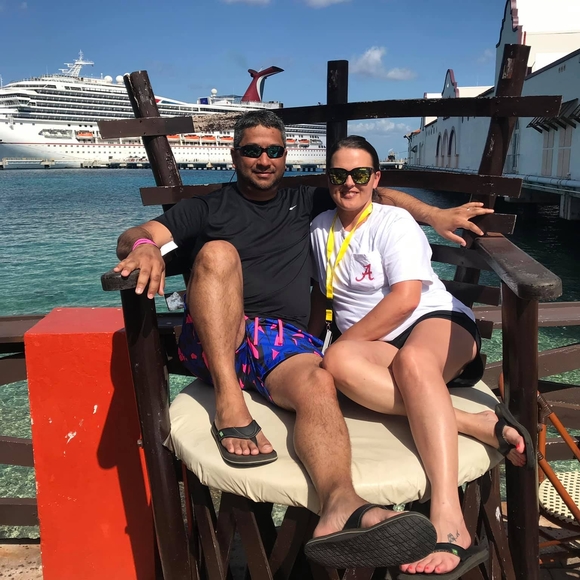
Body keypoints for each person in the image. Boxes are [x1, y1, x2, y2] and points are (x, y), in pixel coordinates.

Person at [113, 110, 494, 569]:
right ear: (235, 155)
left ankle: (340, 505)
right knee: (217, 252)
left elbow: (375, 193)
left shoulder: (307, 201)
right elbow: (137, 234)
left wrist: (433, 214)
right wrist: (144, 248)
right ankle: (230, 403)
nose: (264, 160)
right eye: (253, 150)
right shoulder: (208, 207)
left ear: (285, 156)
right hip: (219, 333)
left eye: (274, 151)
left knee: (319, 381)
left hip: (283, 343)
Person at [309, 135, 533, 577]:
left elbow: (406, 300)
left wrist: (346, 342)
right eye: (339, 174)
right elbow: (322, 295)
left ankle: (449, 517)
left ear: (376, 178)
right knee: (335, 364)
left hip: (433, 322)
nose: (349, 183)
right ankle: (472, 422)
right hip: (377, 346)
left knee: (411, 362)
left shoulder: (393, 222)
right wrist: (319, 346)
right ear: (328, 179)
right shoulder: (319, 227)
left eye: (360, 174)